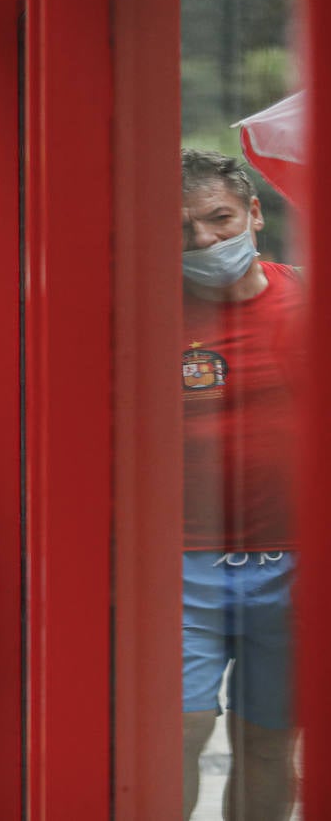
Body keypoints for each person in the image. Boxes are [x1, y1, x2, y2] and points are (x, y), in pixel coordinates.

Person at [178, 149, 302, 820]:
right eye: (184, 230)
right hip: (181, 566)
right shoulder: (145, 315)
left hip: (293, 564)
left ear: (254, 213)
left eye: (219, 219)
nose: (204, 241)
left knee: (267, 744)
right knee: (176, 736)